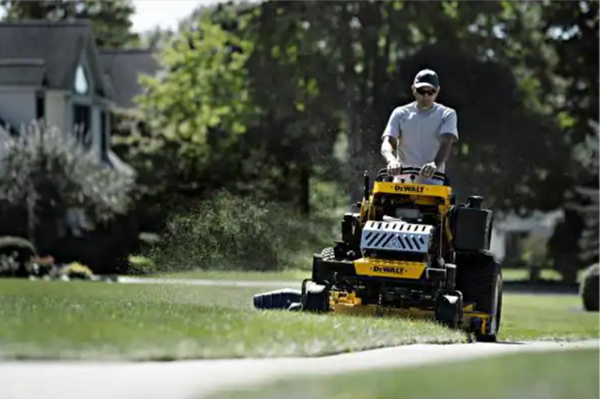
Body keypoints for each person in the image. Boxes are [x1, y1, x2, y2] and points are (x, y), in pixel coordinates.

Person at [380, 69, 458, 185]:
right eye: (421, 91)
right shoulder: (400, 113)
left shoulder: (447, 114)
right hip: (401, 185)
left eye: (431, 92)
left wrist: (434, 164)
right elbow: (388, 142)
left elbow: (446, 142)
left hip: (433, 184)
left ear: (438, 91)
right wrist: (391, 160)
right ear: (413, 89)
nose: (426, 97)